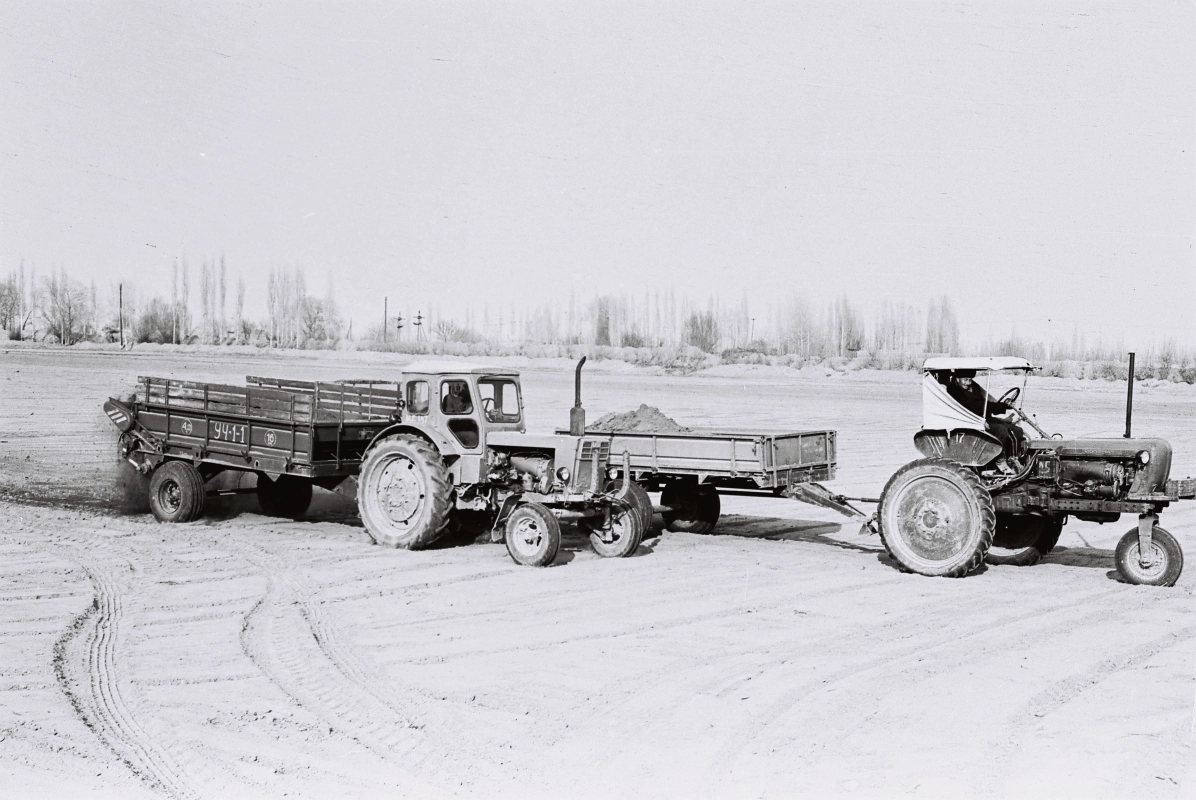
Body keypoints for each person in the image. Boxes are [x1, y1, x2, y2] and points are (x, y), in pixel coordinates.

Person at [946, 369, 1025, 461]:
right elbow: (966, 410)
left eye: (970, 380)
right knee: (1001, 430)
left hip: (983, 420)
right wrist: (980, 421)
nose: (968, 383)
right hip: (970, 422)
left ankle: (1015, 458)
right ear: (957, 379)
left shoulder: (974, 388)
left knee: (1017, 430)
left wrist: (1004, 406)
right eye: (965, 380)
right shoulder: (954, 392)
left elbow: (987, 405)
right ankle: (998, 459)